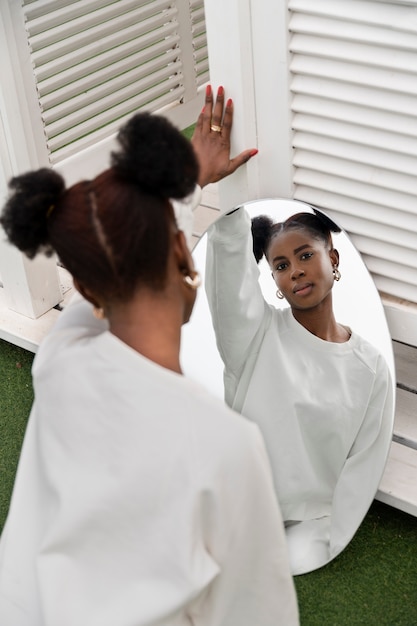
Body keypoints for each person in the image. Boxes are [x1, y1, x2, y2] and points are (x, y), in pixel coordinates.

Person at [0, 92, 299, 625]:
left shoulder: (60, 358)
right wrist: (190, 184)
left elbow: (114, 257)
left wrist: (189, 186)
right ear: (184, 251)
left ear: (88, 291)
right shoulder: (224, 447)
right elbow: (257, 611)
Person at [204, 88, 394, 576]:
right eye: (281, 265)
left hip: (316, 533)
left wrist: (327, 541)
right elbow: (229, 272)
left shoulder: (371, 365)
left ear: (332, 258)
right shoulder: (255, 337)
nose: (295, 271)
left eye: (305, 255)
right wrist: (223, 191)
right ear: (273, 281)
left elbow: (361, 469)